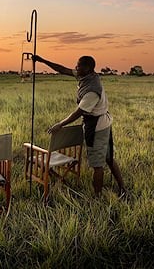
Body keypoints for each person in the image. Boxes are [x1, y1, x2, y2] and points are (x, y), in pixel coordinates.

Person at [33, 54, 127, 199]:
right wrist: (42, 60)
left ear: (87, 68)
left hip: (97, 127)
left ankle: (97, 197)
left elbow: (79, 112)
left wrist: (60, 124)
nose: (76, 67)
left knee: (98, 164)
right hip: (102, 122)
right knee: (108, 157)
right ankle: (121, 188)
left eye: (79, 65)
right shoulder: (89, 76)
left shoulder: (92, 90)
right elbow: (62, 69)